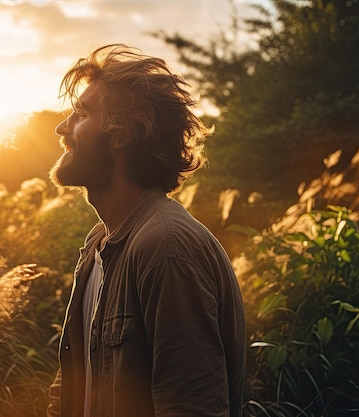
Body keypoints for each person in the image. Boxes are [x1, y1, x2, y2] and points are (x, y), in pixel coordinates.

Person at [47, 44, 246, 417]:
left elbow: (191, 407)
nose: (62, 128)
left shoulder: (166, 248)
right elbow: (76, 387)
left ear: (121, 136)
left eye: (81, 114)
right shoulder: (98, 244)